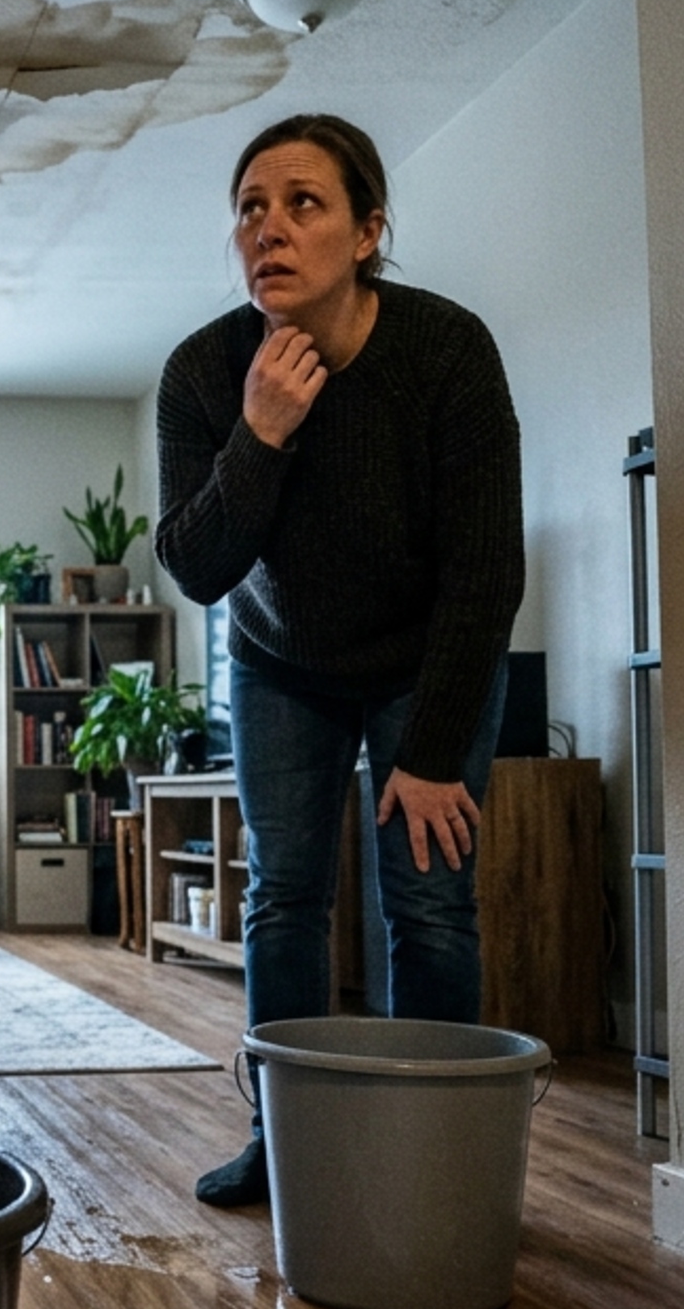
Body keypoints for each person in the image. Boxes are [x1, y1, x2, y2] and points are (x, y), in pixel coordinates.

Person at [153, 114, 524, 1208]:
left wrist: (433, 750)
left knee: (429, 902)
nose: (267, 228)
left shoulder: (447, 351)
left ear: (367, 234)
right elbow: (198, 566)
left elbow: (486, 570)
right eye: (249, 208)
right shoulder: (203, 372)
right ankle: (287, 1145)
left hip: (426, 657)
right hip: (282, 663)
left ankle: (439, 1162)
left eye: (301, 203)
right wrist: (260, 431)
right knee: (284, 899)